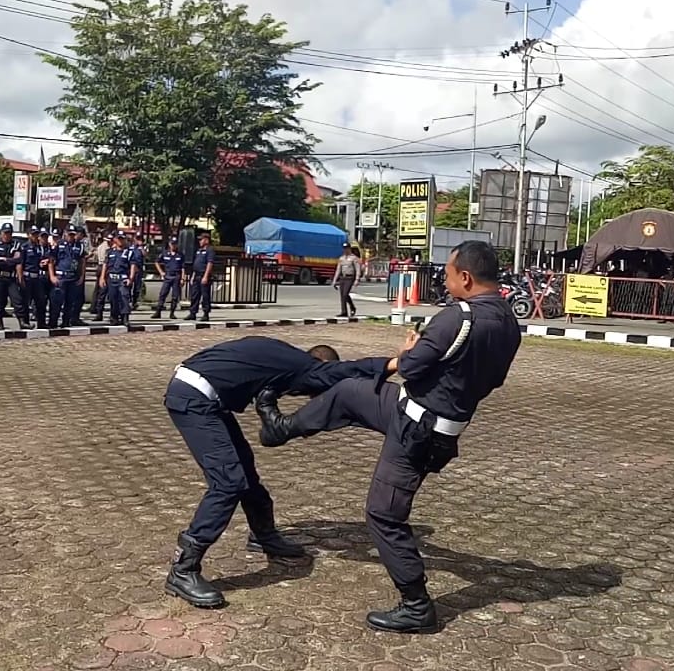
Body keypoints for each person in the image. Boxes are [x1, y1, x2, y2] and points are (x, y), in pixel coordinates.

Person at [254, 241, 522, 634]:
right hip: (428, 418)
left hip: (417, 430)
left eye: (448, 277)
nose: (446, 284)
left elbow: (411, 368)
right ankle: (283, 428)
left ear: (465, 277)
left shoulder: (457, 317)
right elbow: (491, 380)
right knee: (349, 391)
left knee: (384, 515)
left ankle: (416, 604)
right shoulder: (509, 323)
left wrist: (411, 349)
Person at [163, 336, 399, 609]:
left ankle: (264, 536)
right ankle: (184, 569)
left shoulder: (282, 358)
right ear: (319, 364)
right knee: (228, 483)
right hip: (194, 399)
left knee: (244, 471)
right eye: (314, 390)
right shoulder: (304, 367)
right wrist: (395, 363)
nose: (311, 395)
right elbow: (343, 371)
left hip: (202, 393)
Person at [0, 223, 24, 330]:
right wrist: (10, 261)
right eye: (5, 233)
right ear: (1, 233)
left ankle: (22, 322)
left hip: (11, 278)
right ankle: (0, 323)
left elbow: (19, 260)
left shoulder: (16, 245)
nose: (7, 236)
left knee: (17, 300)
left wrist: (6, 260)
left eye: (9, 233)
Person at [151, 239, 186, 320]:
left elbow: (183, 268)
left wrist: (183, 278)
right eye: (172, 244)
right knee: (162, 294)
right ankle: (158, 311)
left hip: (176, 276)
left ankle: (172, 313)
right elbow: (157, 262)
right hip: (168, 276)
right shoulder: (165, 253)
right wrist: (161, 272)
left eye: (175, 244)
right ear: (169, 244)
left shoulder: (180, 255)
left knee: (175, 296)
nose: (173, 245)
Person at [185, 232, 214, 322]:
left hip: (204, 275)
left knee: (205, 295)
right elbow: (195, 264)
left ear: (206, 240)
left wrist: (205, 276)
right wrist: (193, 276)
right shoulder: (199, 250)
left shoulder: (210, 250)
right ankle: (193, 312)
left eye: (201, 239)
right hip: (196, 275)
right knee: (194, 295)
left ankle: (206, 313)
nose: (200, 241)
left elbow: (210, 263)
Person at [333, 242, 362, 317]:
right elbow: (338, 270)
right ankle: (344, 312)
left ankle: (352, 307)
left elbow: (357, 269)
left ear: (349, 248)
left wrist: (357, 279)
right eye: (344, 248)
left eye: (347, 248)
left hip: (350, 278)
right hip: (342, 277)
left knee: (345, 294)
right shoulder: (341, 258)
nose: (345, 250)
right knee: (342, 295)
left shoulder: (354, 258)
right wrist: (335, 280)